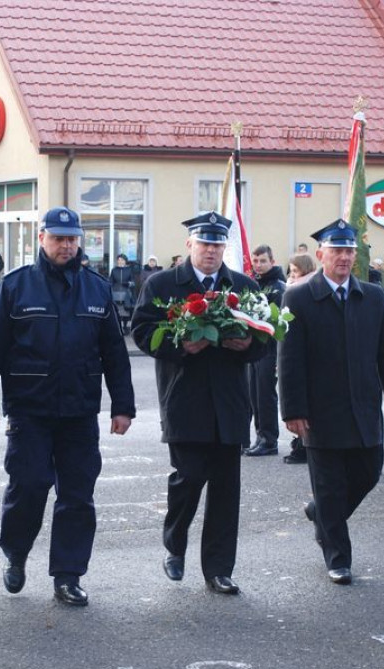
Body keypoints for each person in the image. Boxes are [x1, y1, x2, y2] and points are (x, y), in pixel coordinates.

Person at [0, 206, 135, 607]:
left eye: (72, 239)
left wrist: (123, 406)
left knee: (78, 495)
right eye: (58, 238)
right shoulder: (16, 286)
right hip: (30, 409)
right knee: (29, 486)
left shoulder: (96, 289)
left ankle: (68, 575)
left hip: (79, 411)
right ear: (42, 239)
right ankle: (16, 553)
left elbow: (114, 353)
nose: (66, 246)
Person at [132, 212, 266, 596]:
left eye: (217, 244)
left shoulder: (242, 286)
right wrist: (180, 346)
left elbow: (265, 338)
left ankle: (219, 570)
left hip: (230, 402)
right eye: (204, 243)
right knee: (188, 478)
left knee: (225, 490)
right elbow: (142, 331)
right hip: (184, 399)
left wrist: (249, 345)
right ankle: (175, 544)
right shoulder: (163, 284)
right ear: (189, 244)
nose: (211, 251)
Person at [279, 219, 384, 586]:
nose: (344, 257)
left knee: (368, 472)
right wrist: (293, 410)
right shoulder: (298, 297)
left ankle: (321, 513)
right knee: (330, 486)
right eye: (337, 250)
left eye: (349, 251)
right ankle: (338, 558)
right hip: (320, 412)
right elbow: (289, 360)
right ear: (321, 255)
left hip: (363, 407)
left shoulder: (373, 296)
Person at [244, 244, 287, 457]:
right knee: (253, 395)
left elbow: (281, 321)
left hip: (270, 348)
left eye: (263, 261)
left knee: (265, 395)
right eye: (255, 261)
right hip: (254, 348)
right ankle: (260, 436)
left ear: (272, 261)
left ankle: (269, 440)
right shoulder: (253, 283)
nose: (258, 265)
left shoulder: (279, 287)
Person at [282, 251, 319, 465]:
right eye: (291, 271)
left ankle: (303, 445)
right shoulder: (294, 288)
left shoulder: (305, 289)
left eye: (295, 271)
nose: (292, 275)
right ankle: (300, 443)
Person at [109, 254, 136, 334]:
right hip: (116, 292)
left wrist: (128, 283)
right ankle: (119, 327)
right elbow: (111, 281)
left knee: (125, 311)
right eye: (119, 260)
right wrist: (110, 286)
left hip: (126, 292)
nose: (120, 261)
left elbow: (133, 282)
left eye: (122, 260)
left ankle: (125, 326)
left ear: (125, 261)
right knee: (117, 311)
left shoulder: (129, 270)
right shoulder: (114, 270)